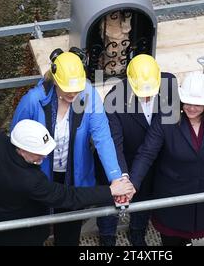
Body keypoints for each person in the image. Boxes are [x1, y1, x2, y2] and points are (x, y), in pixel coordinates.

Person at [11, 48, 132, 246]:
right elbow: (17, 140)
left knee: (68, 233)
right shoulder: (33, 101)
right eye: (68, 89)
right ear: (56, 81)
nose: (74, 94)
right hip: (38, 175)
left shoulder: (89, 95)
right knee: (35, 230)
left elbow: (103, 138)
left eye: (77, 89)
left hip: (74, 177)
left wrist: (116, 178)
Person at [0, 119, 134, 246]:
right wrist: (110, 191)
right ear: (22, 150)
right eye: (39, 153)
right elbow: (68, 196)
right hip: (14, 237)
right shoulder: (30, 180)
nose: (44, 157)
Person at [130, 71, 204, 246]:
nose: (191, 108)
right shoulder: (167, 115)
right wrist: (132, 183)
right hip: (172, 200)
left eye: (198, 104)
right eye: (187, 102)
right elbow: (147, 152)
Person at [96, 54, 177, 246]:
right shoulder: (113, 99)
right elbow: (114, 143)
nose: (148, 97)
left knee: (145, 198)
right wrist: (122, 178)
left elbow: (159, 136)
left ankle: (138, 232)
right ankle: (107, 235)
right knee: (111, 200)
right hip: (121, 160)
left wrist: (135, 180)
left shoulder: (169, 84)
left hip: (153, 159)